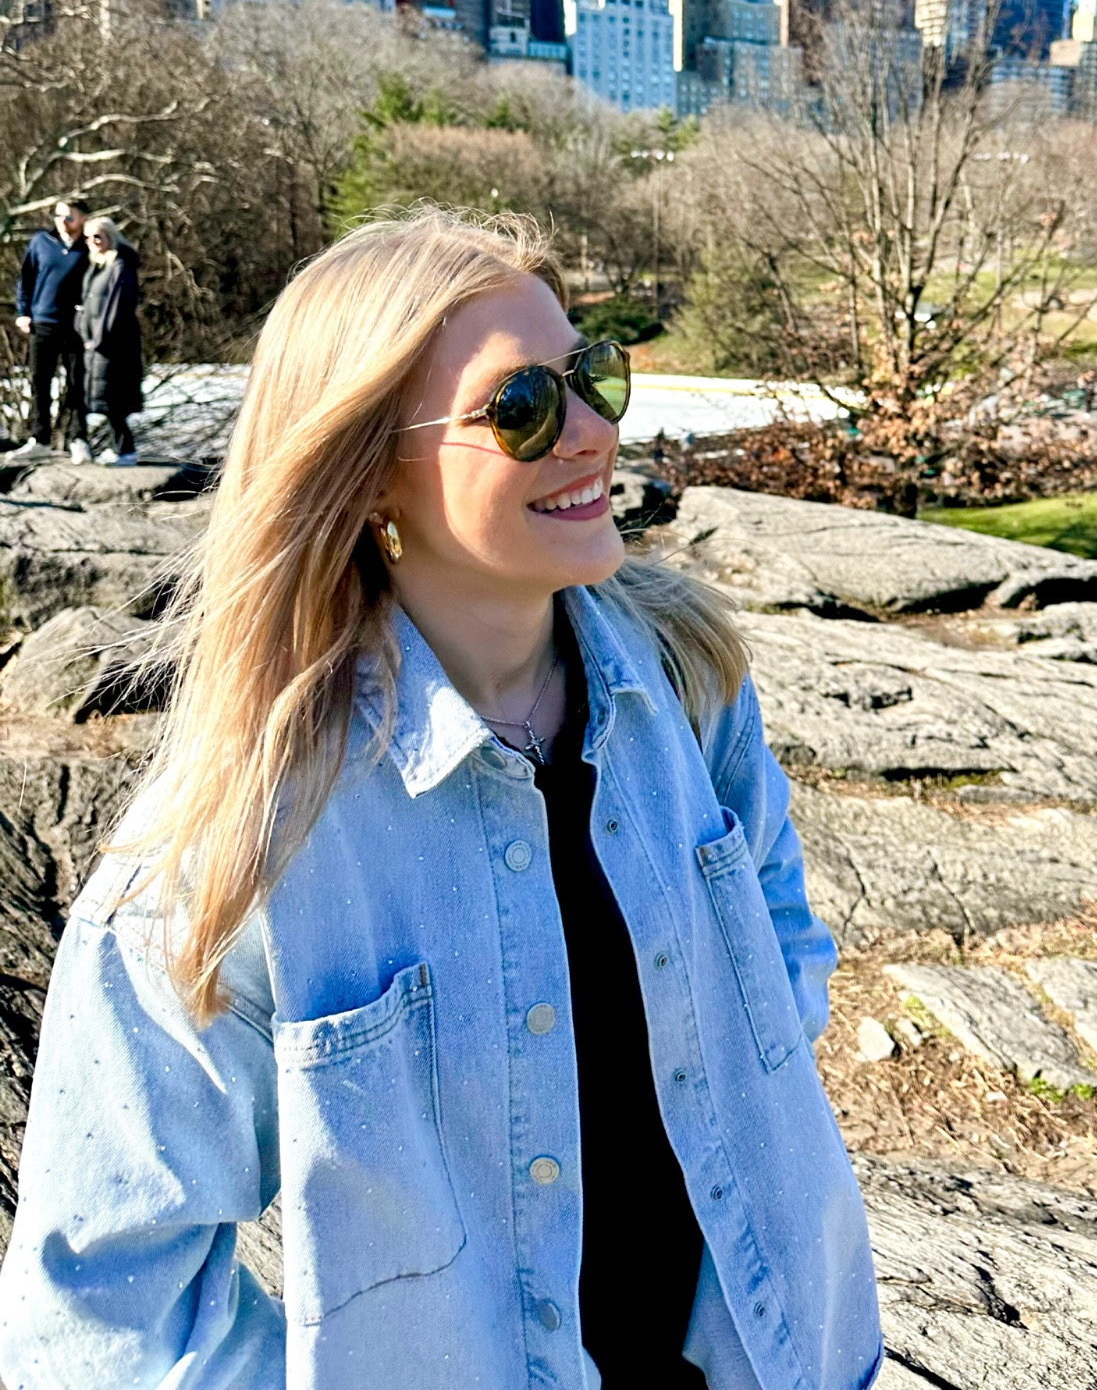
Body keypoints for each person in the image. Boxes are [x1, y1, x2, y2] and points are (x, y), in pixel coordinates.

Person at [0, 209, 882, 1390]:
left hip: (784, 1351)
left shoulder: (686, 678)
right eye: (521, 407)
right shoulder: (243, 828)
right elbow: (103, 1311)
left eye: (593, 376)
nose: (590, 433)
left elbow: (780, 943)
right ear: (368, 473)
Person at [10, 195, 91, 462]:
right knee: (39, 382)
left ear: (82, 218)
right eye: (58, 215)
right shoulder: (40, 242)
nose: (62, 221)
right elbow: (26, 279)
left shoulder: (91, 245)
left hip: (76, 326)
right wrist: (23, 313)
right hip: (42, 322)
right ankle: (40, 439)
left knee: (77, 383)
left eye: (68, 216)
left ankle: (79, 438)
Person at [76, 215, 143, 466]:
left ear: (109, 236)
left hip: (113, 344)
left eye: (97, 236)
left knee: (115, 397)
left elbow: (116, 306)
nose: (92, 241)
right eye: (87, 237)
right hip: (96, 343)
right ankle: (118, 448)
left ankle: (125, 450)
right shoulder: (99, 264)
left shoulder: (120, 265)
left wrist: (99, 338)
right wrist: (83, 330)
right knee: (107, 398)